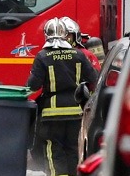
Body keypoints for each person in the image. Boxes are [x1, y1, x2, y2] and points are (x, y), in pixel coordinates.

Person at [27, 17, 98, 176]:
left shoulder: (42, 56)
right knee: (73, 148)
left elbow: (33, 85)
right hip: (75, 113)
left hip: (51, 115)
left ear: (46, 35)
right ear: (66, 35)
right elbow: (94, 79)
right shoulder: (78, 55)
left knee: (53, 149)